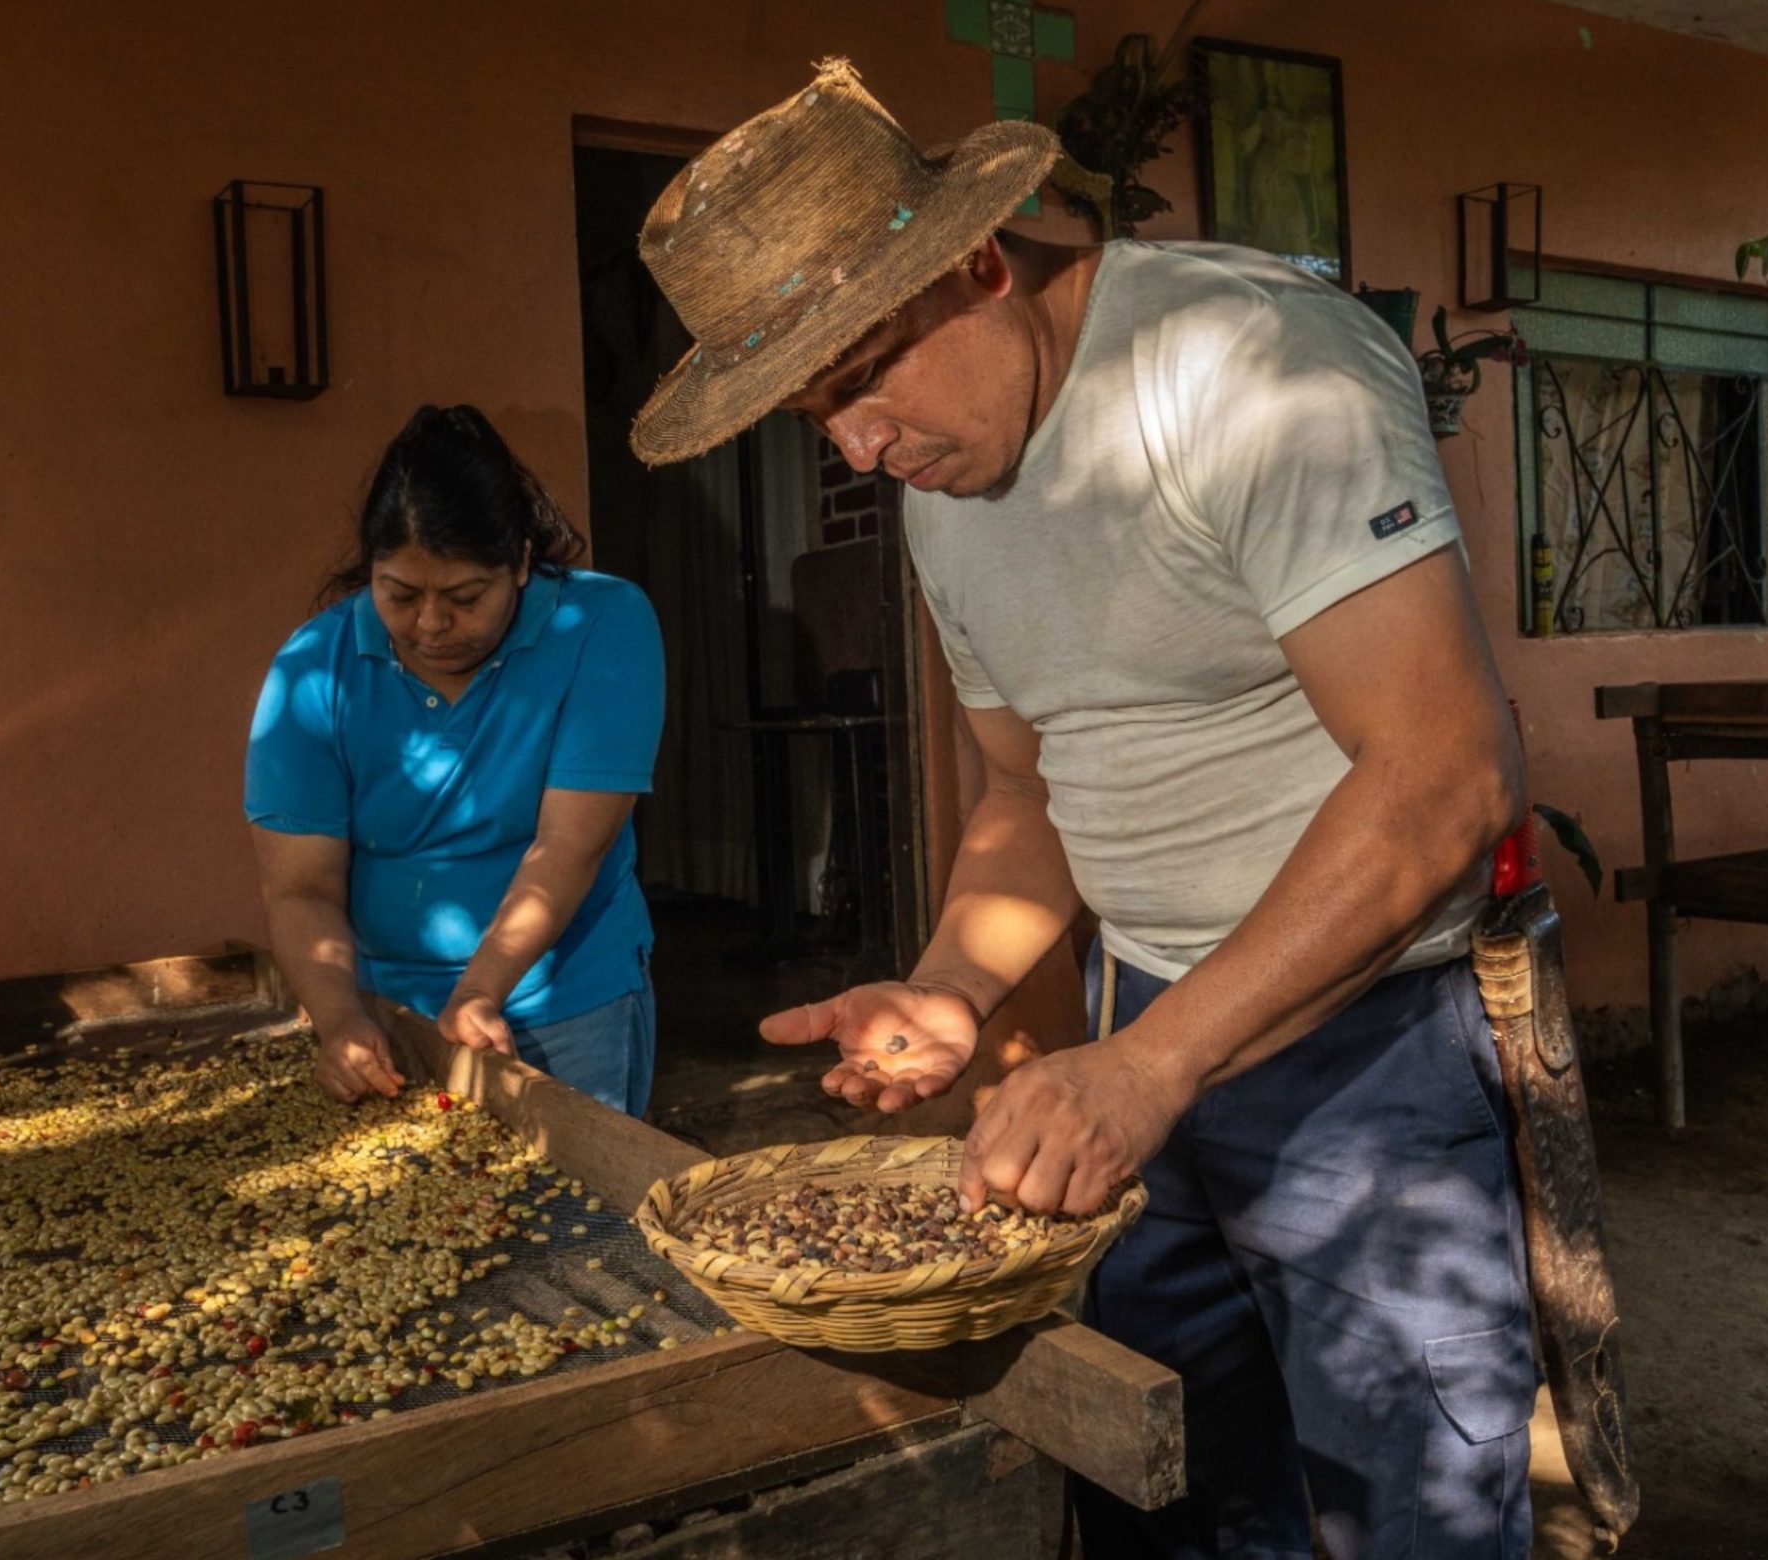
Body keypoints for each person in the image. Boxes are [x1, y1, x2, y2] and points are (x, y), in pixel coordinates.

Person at [627, 62, 1535, 1560]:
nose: (852, 448)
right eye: (813, 414)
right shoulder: (944, 492)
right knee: (1161, 1487)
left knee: (1407, 1513)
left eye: (859, 382)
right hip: (1143, 1037)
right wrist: (952, 987)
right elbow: (1023, 788)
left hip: (1365, 1058)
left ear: (978, 260)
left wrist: (1148, 1069)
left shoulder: (1245, 361)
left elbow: (1443, 774)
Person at [247, 405, 665, 1116]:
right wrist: (341, 1019)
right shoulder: (315, 666)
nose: (432, 626)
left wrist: (481, 991)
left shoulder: (603, 624)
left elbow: (567, 847)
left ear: (524, 563)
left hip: (565, 1001)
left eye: (466, 597)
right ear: (370, 573)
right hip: (387, 1012)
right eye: (400, 595)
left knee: (578, 1221)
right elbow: (301, 887)